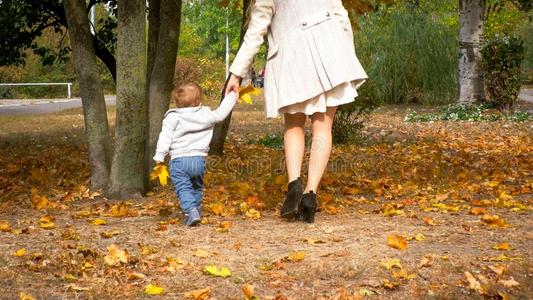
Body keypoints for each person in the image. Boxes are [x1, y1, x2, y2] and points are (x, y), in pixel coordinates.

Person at [226, 0, 367, 223]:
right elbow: (341, 15)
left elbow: (256, 31)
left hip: (292, 56)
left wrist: (236, 74)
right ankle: (310, 194)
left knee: (293, 125)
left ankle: (294, 187)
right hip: (332, 50)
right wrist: (346, 56)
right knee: (323, 127)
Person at [153, 83, 237, 226]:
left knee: (183, 187)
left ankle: (190, 210)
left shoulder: (173, 117)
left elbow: (165, 136)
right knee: (197, 186)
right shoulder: (205, 115)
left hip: (179, 161)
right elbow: (221, 113)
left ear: (176, 103)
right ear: (199, 101)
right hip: (198, 160)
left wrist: (159, 155)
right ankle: (196, 211)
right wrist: (232, 96)